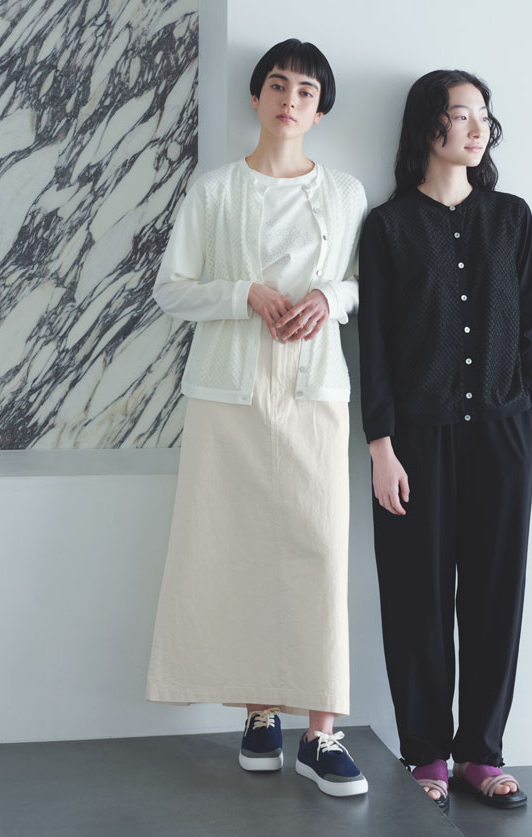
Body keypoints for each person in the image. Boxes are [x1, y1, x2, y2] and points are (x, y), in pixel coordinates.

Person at [146, 39, 369, 798]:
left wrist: (328, 298)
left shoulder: (346, 193)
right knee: (238, 548)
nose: (290, 100)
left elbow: (364, 283)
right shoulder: (215, 190)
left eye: (306, 91)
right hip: (228, 391)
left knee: (320, 550)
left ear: (320, 108)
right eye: (278, 85)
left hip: (314, 389)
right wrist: (243, 293)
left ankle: (321, 731)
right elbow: (171, 289)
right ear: (256, 96)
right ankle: (259, 714)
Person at [357, 69, 532, 811]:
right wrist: (381, 444)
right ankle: (428, 753)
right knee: (418, 595)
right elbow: (373, 345)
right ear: (427, 125)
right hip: (415, 438)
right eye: (462, 114)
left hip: (502, 430)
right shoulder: (388, 227)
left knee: (497, 593)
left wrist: (530, 403)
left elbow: (529, 320)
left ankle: (481, 753)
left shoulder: (511, 217)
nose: (478, 128)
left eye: (484, 116)